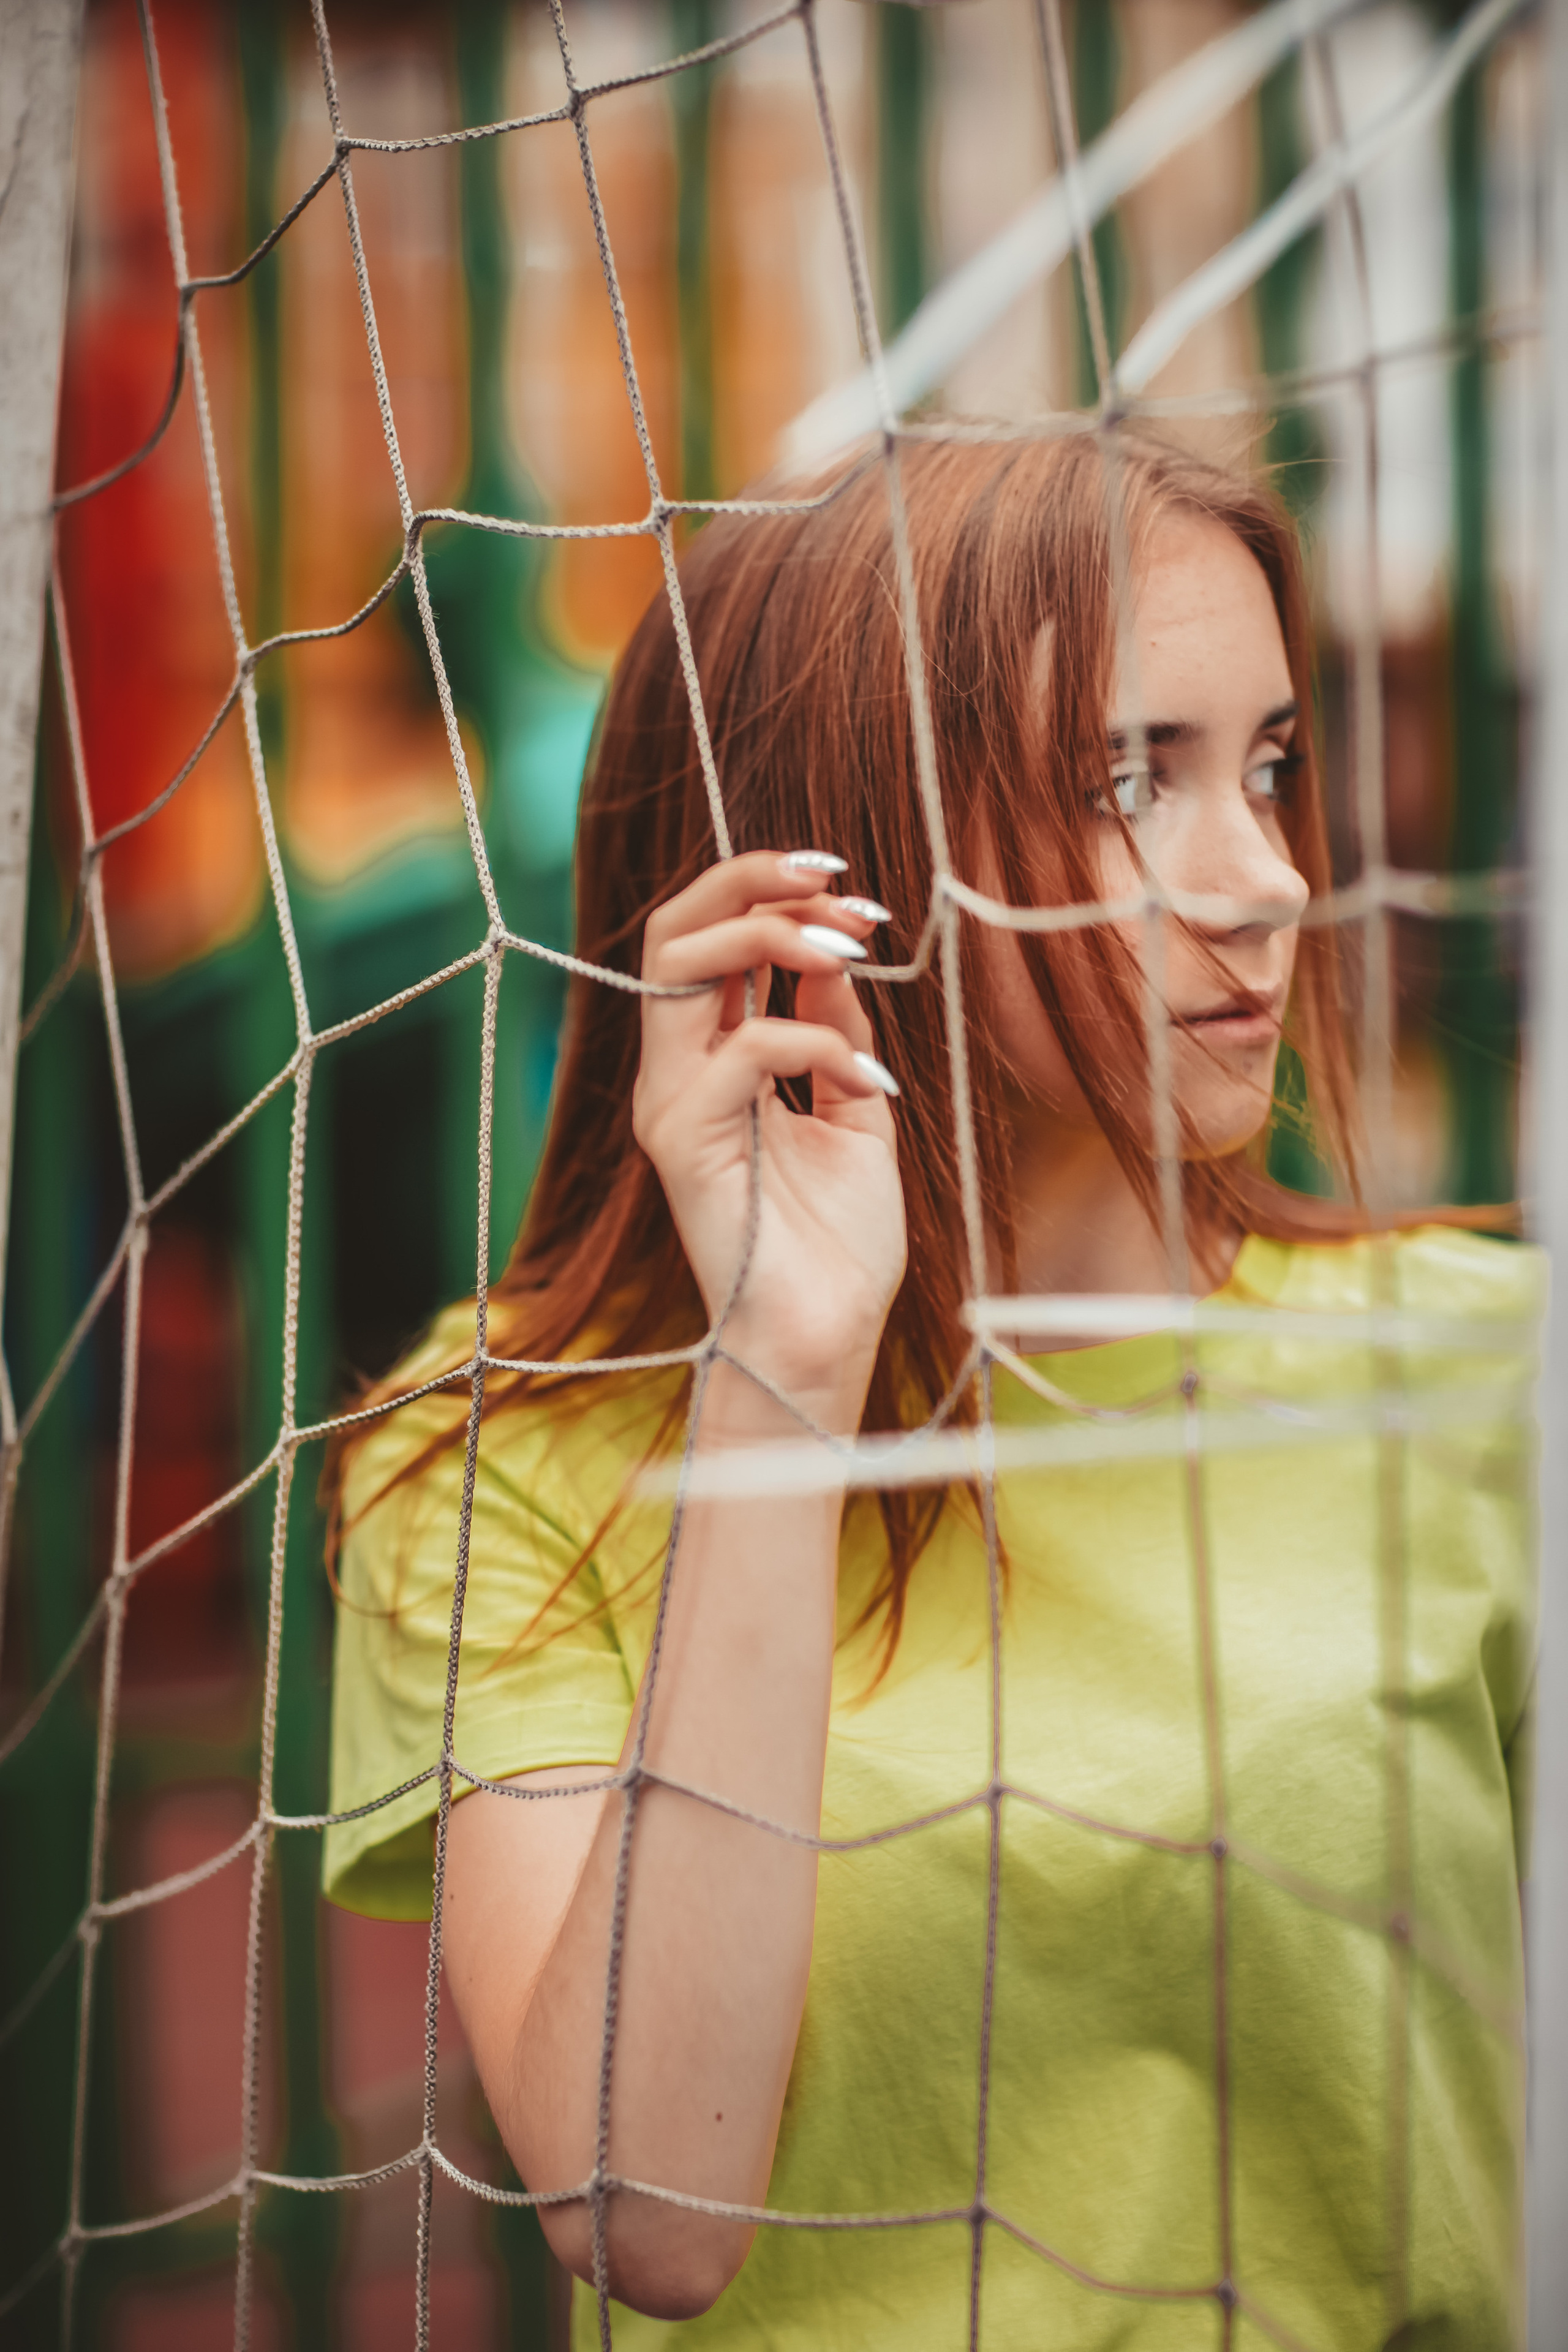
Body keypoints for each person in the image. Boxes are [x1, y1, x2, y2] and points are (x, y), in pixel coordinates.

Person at [323, 430, 1539, 2350]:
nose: (1265, 881)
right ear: (840, 878)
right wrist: (783, 1376)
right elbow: (649, 2205)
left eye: (1275, 767)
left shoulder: (1484, 1370)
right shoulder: (503, 1454)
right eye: (1131, 781)